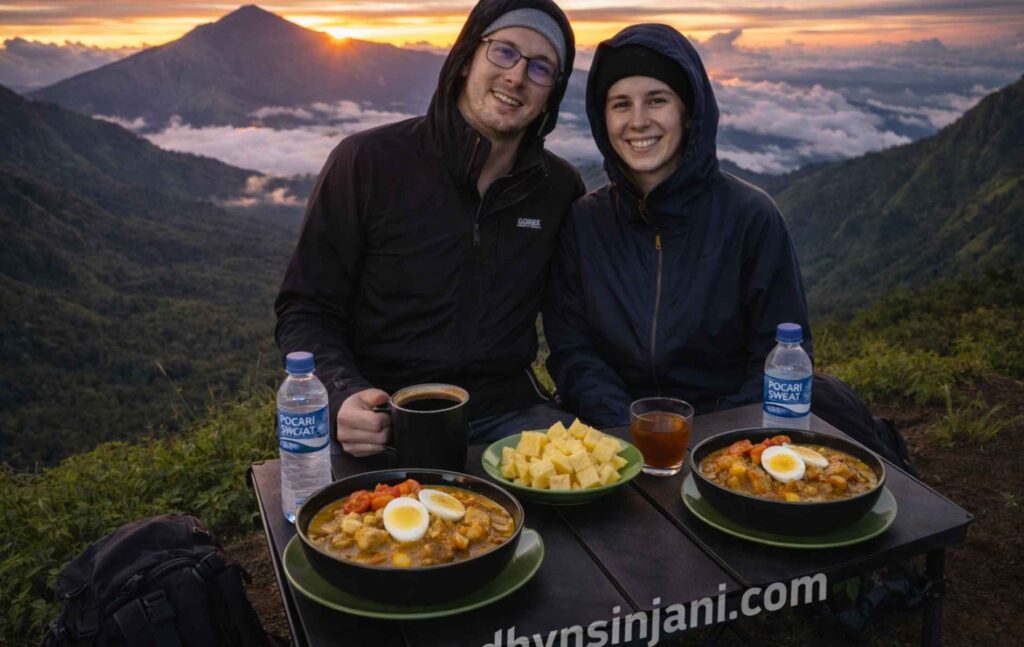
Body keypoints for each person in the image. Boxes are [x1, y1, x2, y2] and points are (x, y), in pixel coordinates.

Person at [275, 0, 582, 456]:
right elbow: (306, 308)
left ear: (551, 94)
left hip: (510, 416)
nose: (517, 76)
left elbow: (574, 325)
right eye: (503, 52)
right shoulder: (369, 162)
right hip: (385, 415)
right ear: (465, 60)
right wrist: (342, 396)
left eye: (541, 68)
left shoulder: (557, 189)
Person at [544, 24, 812, 427]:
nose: (637, 121)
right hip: (614, 437)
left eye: (656, 100)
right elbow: (573, 351)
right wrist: (630, 430)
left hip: (725, 439)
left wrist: (708, 435)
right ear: (603, 120)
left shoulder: (751, 218)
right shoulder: (584, 223)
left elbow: (775, 354)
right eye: (620, 104)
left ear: (688, 112)